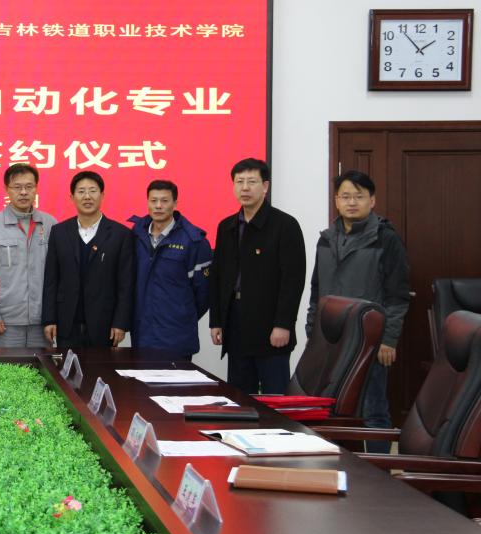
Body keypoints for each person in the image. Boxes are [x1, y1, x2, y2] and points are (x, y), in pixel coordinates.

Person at [307, 170, 410, 451]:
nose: (352, 202)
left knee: (374, 411)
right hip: (331, 341)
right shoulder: (326, 239)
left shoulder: (386, 238)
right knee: (330, 410)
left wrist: (389, 339)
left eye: (359, 196)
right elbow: (317, 291)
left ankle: (378, 471)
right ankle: (341, 467)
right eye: (345, 196)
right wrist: (313, 332)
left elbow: (398, 296)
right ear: (336, 201)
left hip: (370, 340)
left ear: (372, 200)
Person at [208, 158, 305, 395]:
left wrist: (283, 324)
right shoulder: (226, 226)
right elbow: (218, 276)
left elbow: (293, 280)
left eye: (251, 182)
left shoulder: (285, 225)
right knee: (240, 396)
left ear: (265, 186)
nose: (245, 188)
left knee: (275, 396)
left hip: (270, 326)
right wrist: (216, 320)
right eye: (239, 182)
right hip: (236, 323)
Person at [42, 171, 134, 348]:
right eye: (81, 191)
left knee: (102, 366)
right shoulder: (59, 232)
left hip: (104, 324)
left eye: (92, 191)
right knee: (67, 366)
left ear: (102, 195)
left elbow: (125, 284)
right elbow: (51, 280)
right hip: (66, 322)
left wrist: (121, 322)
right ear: (72, 197)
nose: (87, 196)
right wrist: (49, 319)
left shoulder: (120, 234)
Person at [127, 180, 212, 359]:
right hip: (142, 335)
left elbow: (203, 293)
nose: (158, 206)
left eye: (164, 201)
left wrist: (181, 313)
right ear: (147, 202)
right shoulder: (136, 235)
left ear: (175, 203)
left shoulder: (194, 241)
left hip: (177, 337)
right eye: (153, 200)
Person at [0, 164, 57, 347]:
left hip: (43, 320)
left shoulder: (50, 224)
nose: (23, 192)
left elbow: (59, 274)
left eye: (29, 187)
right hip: (5, 321)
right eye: (17, 187)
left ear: (36, 188)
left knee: (42, 365)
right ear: (7, 189)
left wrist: (54, 316)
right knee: (8, 365)